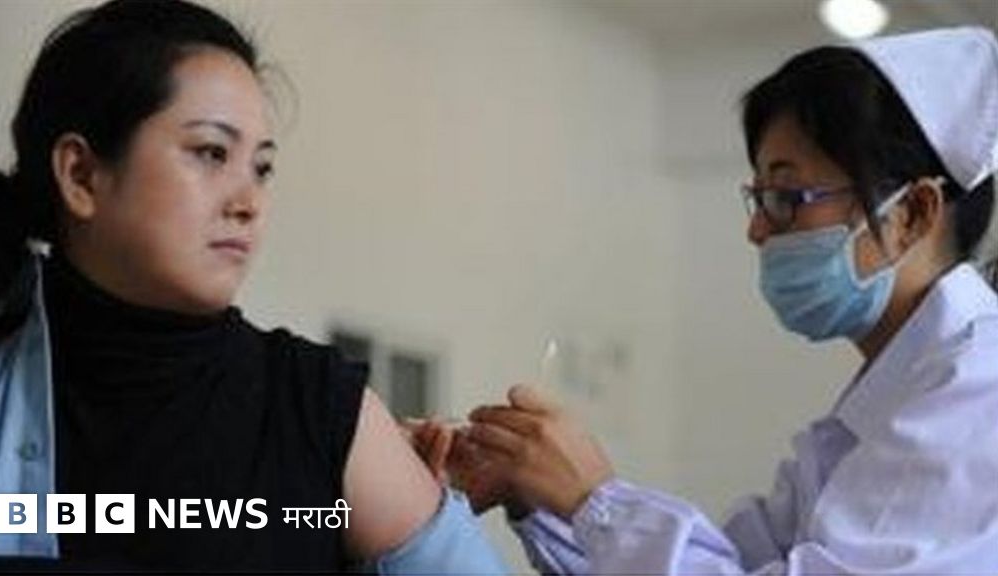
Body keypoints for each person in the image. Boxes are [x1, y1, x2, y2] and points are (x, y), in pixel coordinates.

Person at [413, 26, 998, 574]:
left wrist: (593, 500)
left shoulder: (979, 389)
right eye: (759, 198)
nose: (757, 230)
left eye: (786, 197)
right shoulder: (887, 403)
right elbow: (731, 563)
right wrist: (536, 489)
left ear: (912, 213)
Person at [0, 0, 507, 572]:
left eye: (261, 168)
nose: (249, 202)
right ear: (81, 175)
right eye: (211, 153)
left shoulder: (317, 412)